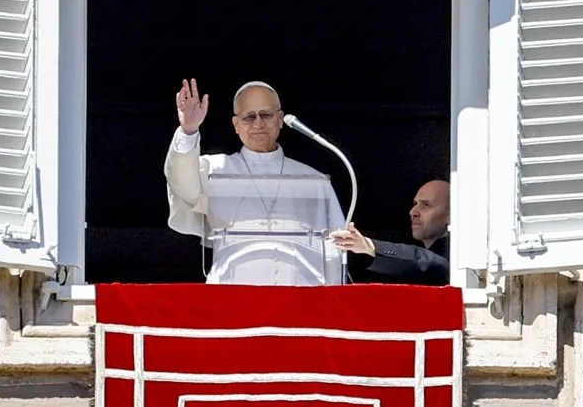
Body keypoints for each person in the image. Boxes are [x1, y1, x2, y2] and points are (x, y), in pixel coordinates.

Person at [164, 78, 345, 285]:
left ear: (280, 119)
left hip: (301, 301)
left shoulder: (314, 180)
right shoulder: (215, 169)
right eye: (249, 117)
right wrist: (189, 131)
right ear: (236, 125)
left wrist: (333, 299)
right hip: (233, 298)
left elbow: (334, 250)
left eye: (266, 115)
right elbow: (181, 184)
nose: (258, 124)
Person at [331, 179, 450, 285]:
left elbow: (433, 263)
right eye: (415, 204)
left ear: (450, 215)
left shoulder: (456, 257)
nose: (413, 212)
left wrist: (369, 246)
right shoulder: (411, 245)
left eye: (426, 204)